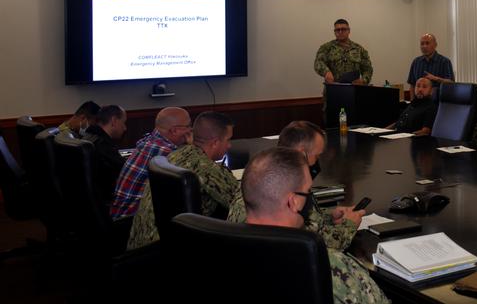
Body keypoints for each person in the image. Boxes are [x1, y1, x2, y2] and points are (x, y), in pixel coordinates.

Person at [240, 147, 390, 304]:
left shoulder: (221, 254)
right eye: (307, 191)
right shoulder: (328, 265)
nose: (309, 199)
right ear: (294, 202)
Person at [228, 120, 365, 250]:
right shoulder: (286, 192)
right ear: (301, 153)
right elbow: (318, 246)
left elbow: (311, 221)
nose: (317, 162)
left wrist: (329, 216)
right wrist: (349, 224)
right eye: (317, 156)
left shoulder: (261, 179)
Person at [127, 111, 239, 250]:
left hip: (142, 248)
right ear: (215, 142)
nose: (230, 146)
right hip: (164, 255)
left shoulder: (177, 153)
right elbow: (241, 203)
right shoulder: (206, 168)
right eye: (228, 140)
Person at [110, 107, 193, 219]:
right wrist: (193, 148)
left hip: (121, 216)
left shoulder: (149, 142)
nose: (191, 130)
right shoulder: (167, 153)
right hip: (131, 223)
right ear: (174, 131)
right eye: (188, 126)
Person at [81, 104, 128, 209]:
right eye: (124, 123)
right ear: (114, 121)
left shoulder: (89, 137)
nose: (125, 128)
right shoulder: (102, 145)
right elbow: (127, 171)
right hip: (109, 204)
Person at [314, 19, 372, 85]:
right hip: (333, 89)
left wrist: (363, 80)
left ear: (349, 31)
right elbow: (318, 62)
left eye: (343, 29)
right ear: (334, 32)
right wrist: (326, 72)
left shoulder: (359, 49)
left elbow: (368, 69)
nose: (340, 32)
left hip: (353, 90)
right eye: (337, 30)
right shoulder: (326, 48)